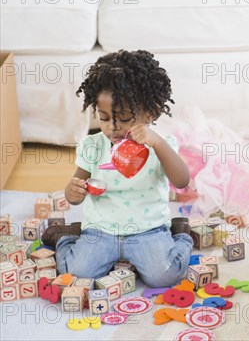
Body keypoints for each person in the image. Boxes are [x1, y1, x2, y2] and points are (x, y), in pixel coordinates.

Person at [42, 50, 193, 287]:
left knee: (164, 276)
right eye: (103, 118)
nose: (113, 128)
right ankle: (66, 236)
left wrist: (157, 143)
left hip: (148, 231)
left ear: (150, 113)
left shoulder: (160, 144)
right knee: (77, 272)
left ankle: (181, 235)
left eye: (124, 119)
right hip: (101, 231)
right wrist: (73, 192)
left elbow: (182, 180)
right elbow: (75, 191)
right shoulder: (93, 146)